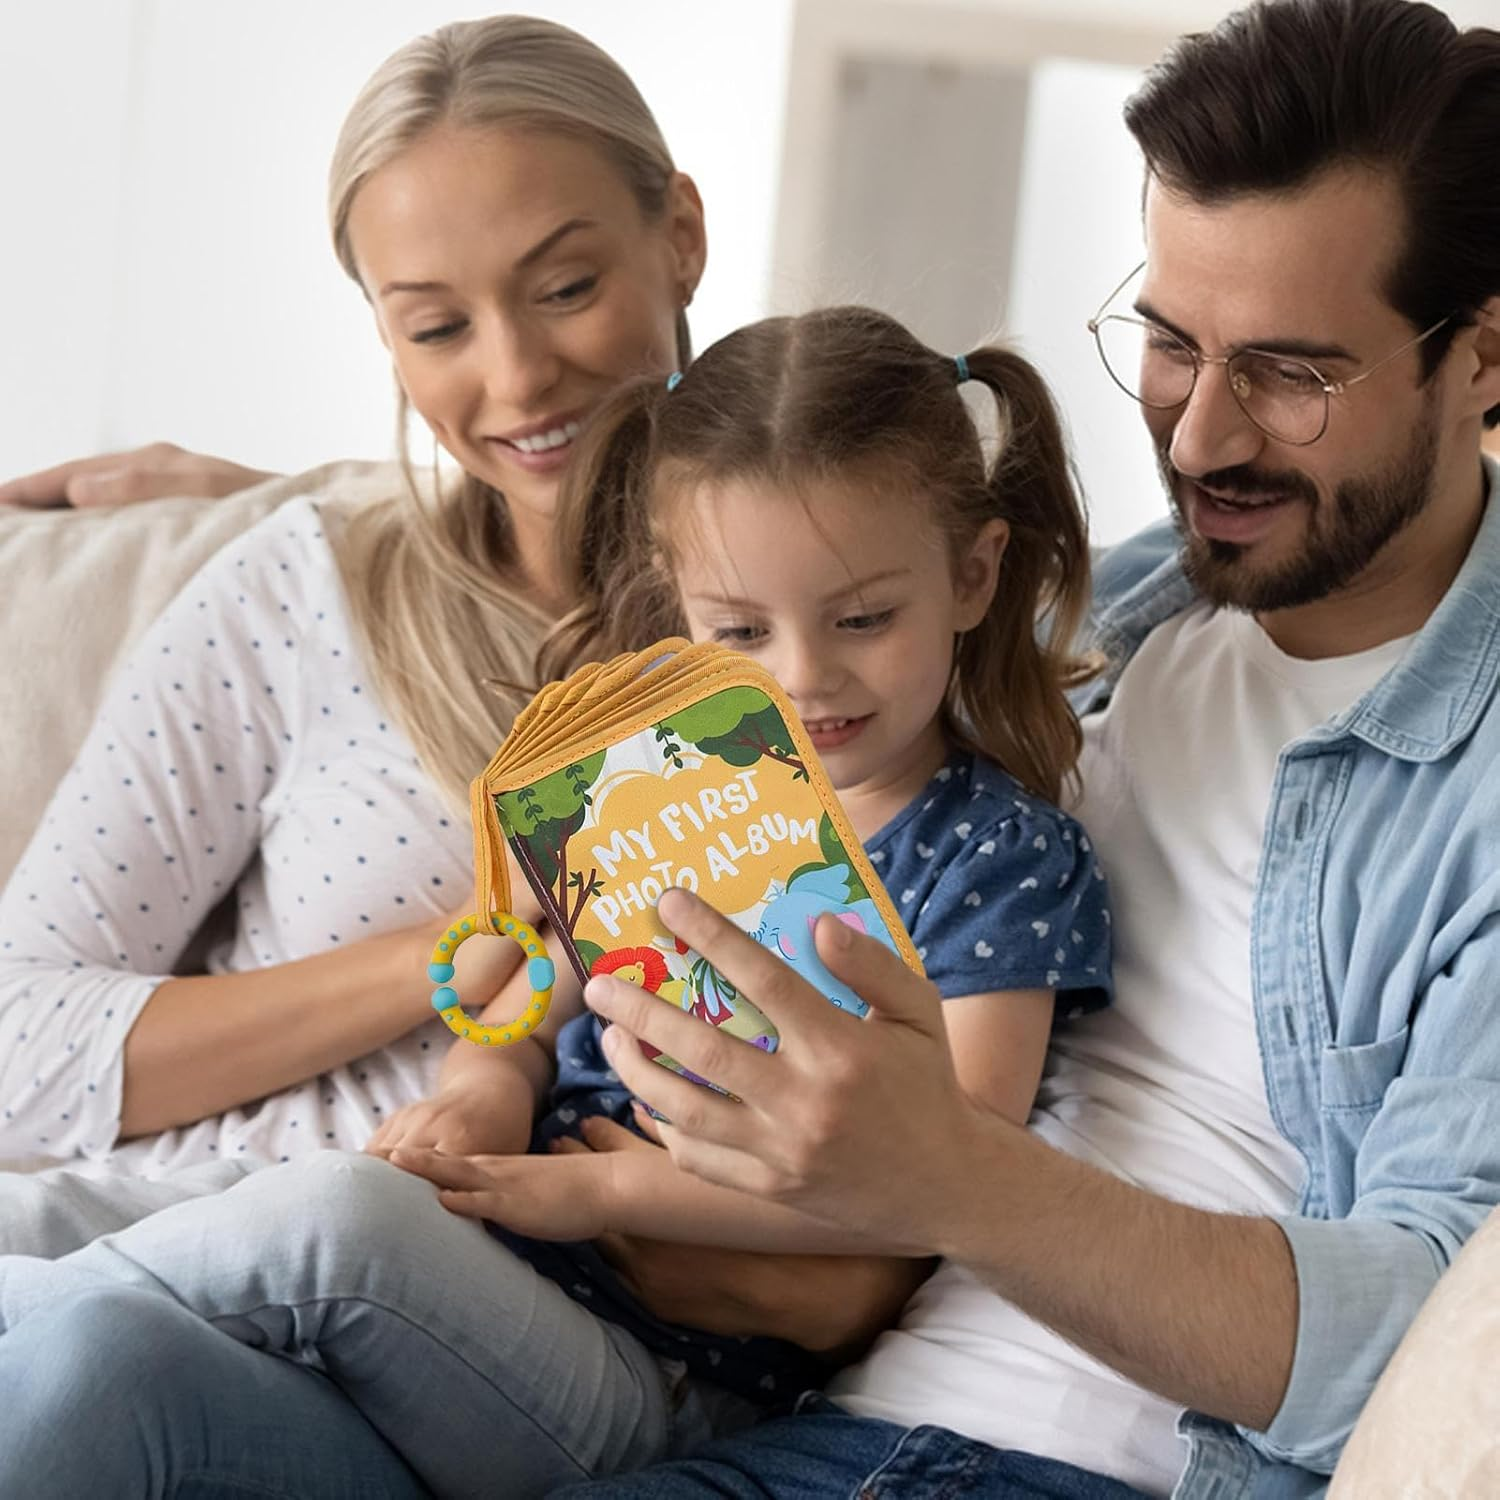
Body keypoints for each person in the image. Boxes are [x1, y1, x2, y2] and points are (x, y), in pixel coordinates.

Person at [544, 0, 1500, 1495]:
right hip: (812, 1413)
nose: (1196, 440)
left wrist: (942, 1172)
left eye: (1293, 374)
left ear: (1486, 357)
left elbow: (1434, 1337)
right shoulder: (1117, 607)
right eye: (1174, 344)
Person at [0, 304, 1117, 1498]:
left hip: (659, 1374)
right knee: (145, 1243)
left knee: (332, 1222)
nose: (802, 675)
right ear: (680, 604)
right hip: (498, 1270)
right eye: (740, 630)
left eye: (862, 619)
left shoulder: (996, 858)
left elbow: (952, 1179)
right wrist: (484, 1089)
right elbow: (540, 1008)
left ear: (973, 575)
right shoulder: (667, 793)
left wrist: (602, 1190)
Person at [0, 15, 708, 1247]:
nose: (518, 374)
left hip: (449, 1303)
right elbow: (16, 1046)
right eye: (438, 327)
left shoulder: (818, 634)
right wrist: (459, 951)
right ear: (386, 335)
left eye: (566, 289)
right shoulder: (304, 588)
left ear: (680, 238)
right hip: (154, 1227)